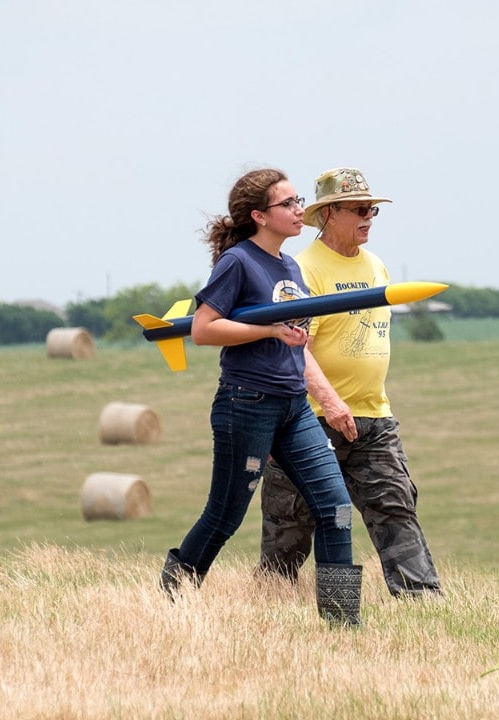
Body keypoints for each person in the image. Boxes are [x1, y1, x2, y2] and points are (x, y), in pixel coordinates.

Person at [159, 167, 362, 626]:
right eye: (288, 204)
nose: (298, 210)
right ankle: (172, 597)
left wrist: (301, 354)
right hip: (246, 402)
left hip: (294, 407)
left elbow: (292, 336)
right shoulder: (238, 262)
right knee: (226, 514)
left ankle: (342, 624)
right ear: (259, 216)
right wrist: (269, 329)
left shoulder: (291, 266)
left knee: (336, 508)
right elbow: (205, 329)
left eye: (297, 201)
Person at [258, 167, 442, 598]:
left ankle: (422, 602)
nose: (369, 217)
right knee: (291, 522)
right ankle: (269, 600)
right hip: (311, 419)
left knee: (395, 507)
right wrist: (331, 401)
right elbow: (294, 347)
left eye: (372, 209)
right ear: (329, 214)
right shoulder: (301, 271)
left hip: (374, 418)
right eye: (359, 209)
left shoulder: (376, 265)